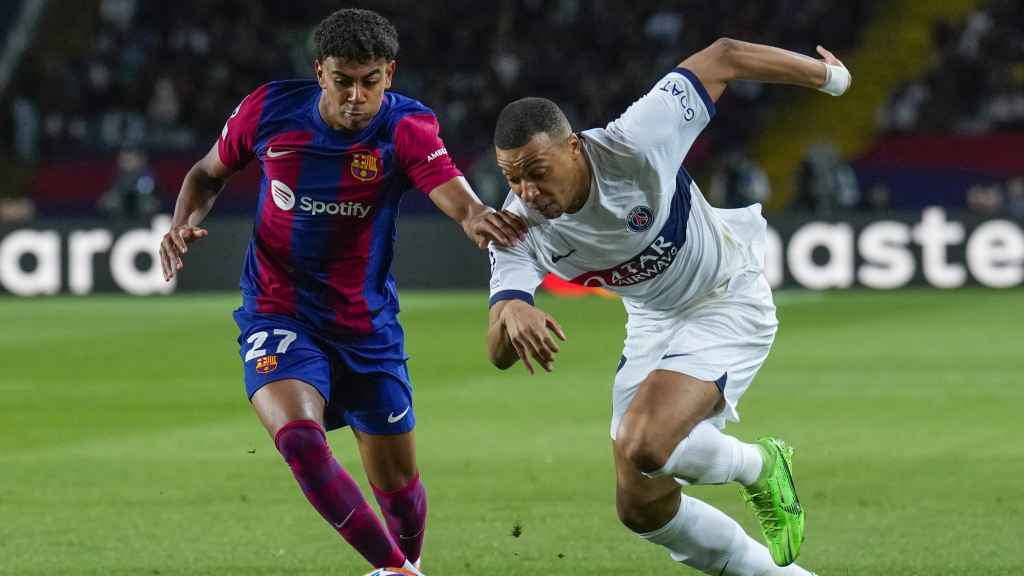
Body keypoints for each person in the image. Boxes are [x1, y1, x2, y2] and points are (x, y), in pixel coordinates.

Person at [158, 8, 525, 575]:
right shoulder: (270, 110)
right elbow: (206, 174)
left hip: (365, 324)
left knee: (398, 486)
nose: (357, 95)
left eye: (370, 81)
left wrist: (476, 217)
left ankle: (410, 562)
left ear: (390, 74)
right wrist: (182, 222)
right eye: (343, 80)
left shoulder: (406, 127)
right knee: (300, 441)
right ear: (319, 72)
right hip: (276, 309)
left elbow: (453, 193)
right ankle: (394, 570)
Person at [486, 38, 851, 575]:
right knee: (642, 508)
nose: (527, 190)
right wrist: (511, 309)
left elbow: (724, 56)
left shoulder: (634, 140)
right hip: (653, 321)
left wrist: (831, 80)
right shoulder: (519, 225)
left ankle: (760, 464)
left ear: (574, 148)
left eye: (536, 171)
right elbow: (497, 354)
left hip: (726, 295)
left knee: (646, 443)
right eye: (512, 177)